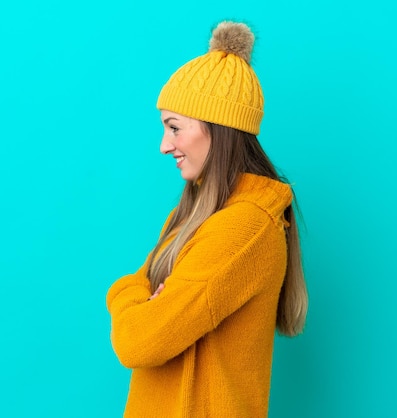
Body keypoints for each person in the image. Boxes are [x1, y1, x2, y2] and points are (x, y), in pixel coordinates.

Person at [106, 20, 308, 417]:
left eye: (174, 127)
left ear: (217, 128)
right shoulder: (193, 214)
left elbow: (138, 341)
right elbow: (143, 312)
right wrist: (142, 298)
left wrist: (126, 295)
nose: (165, 146)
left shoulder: (244, 228)